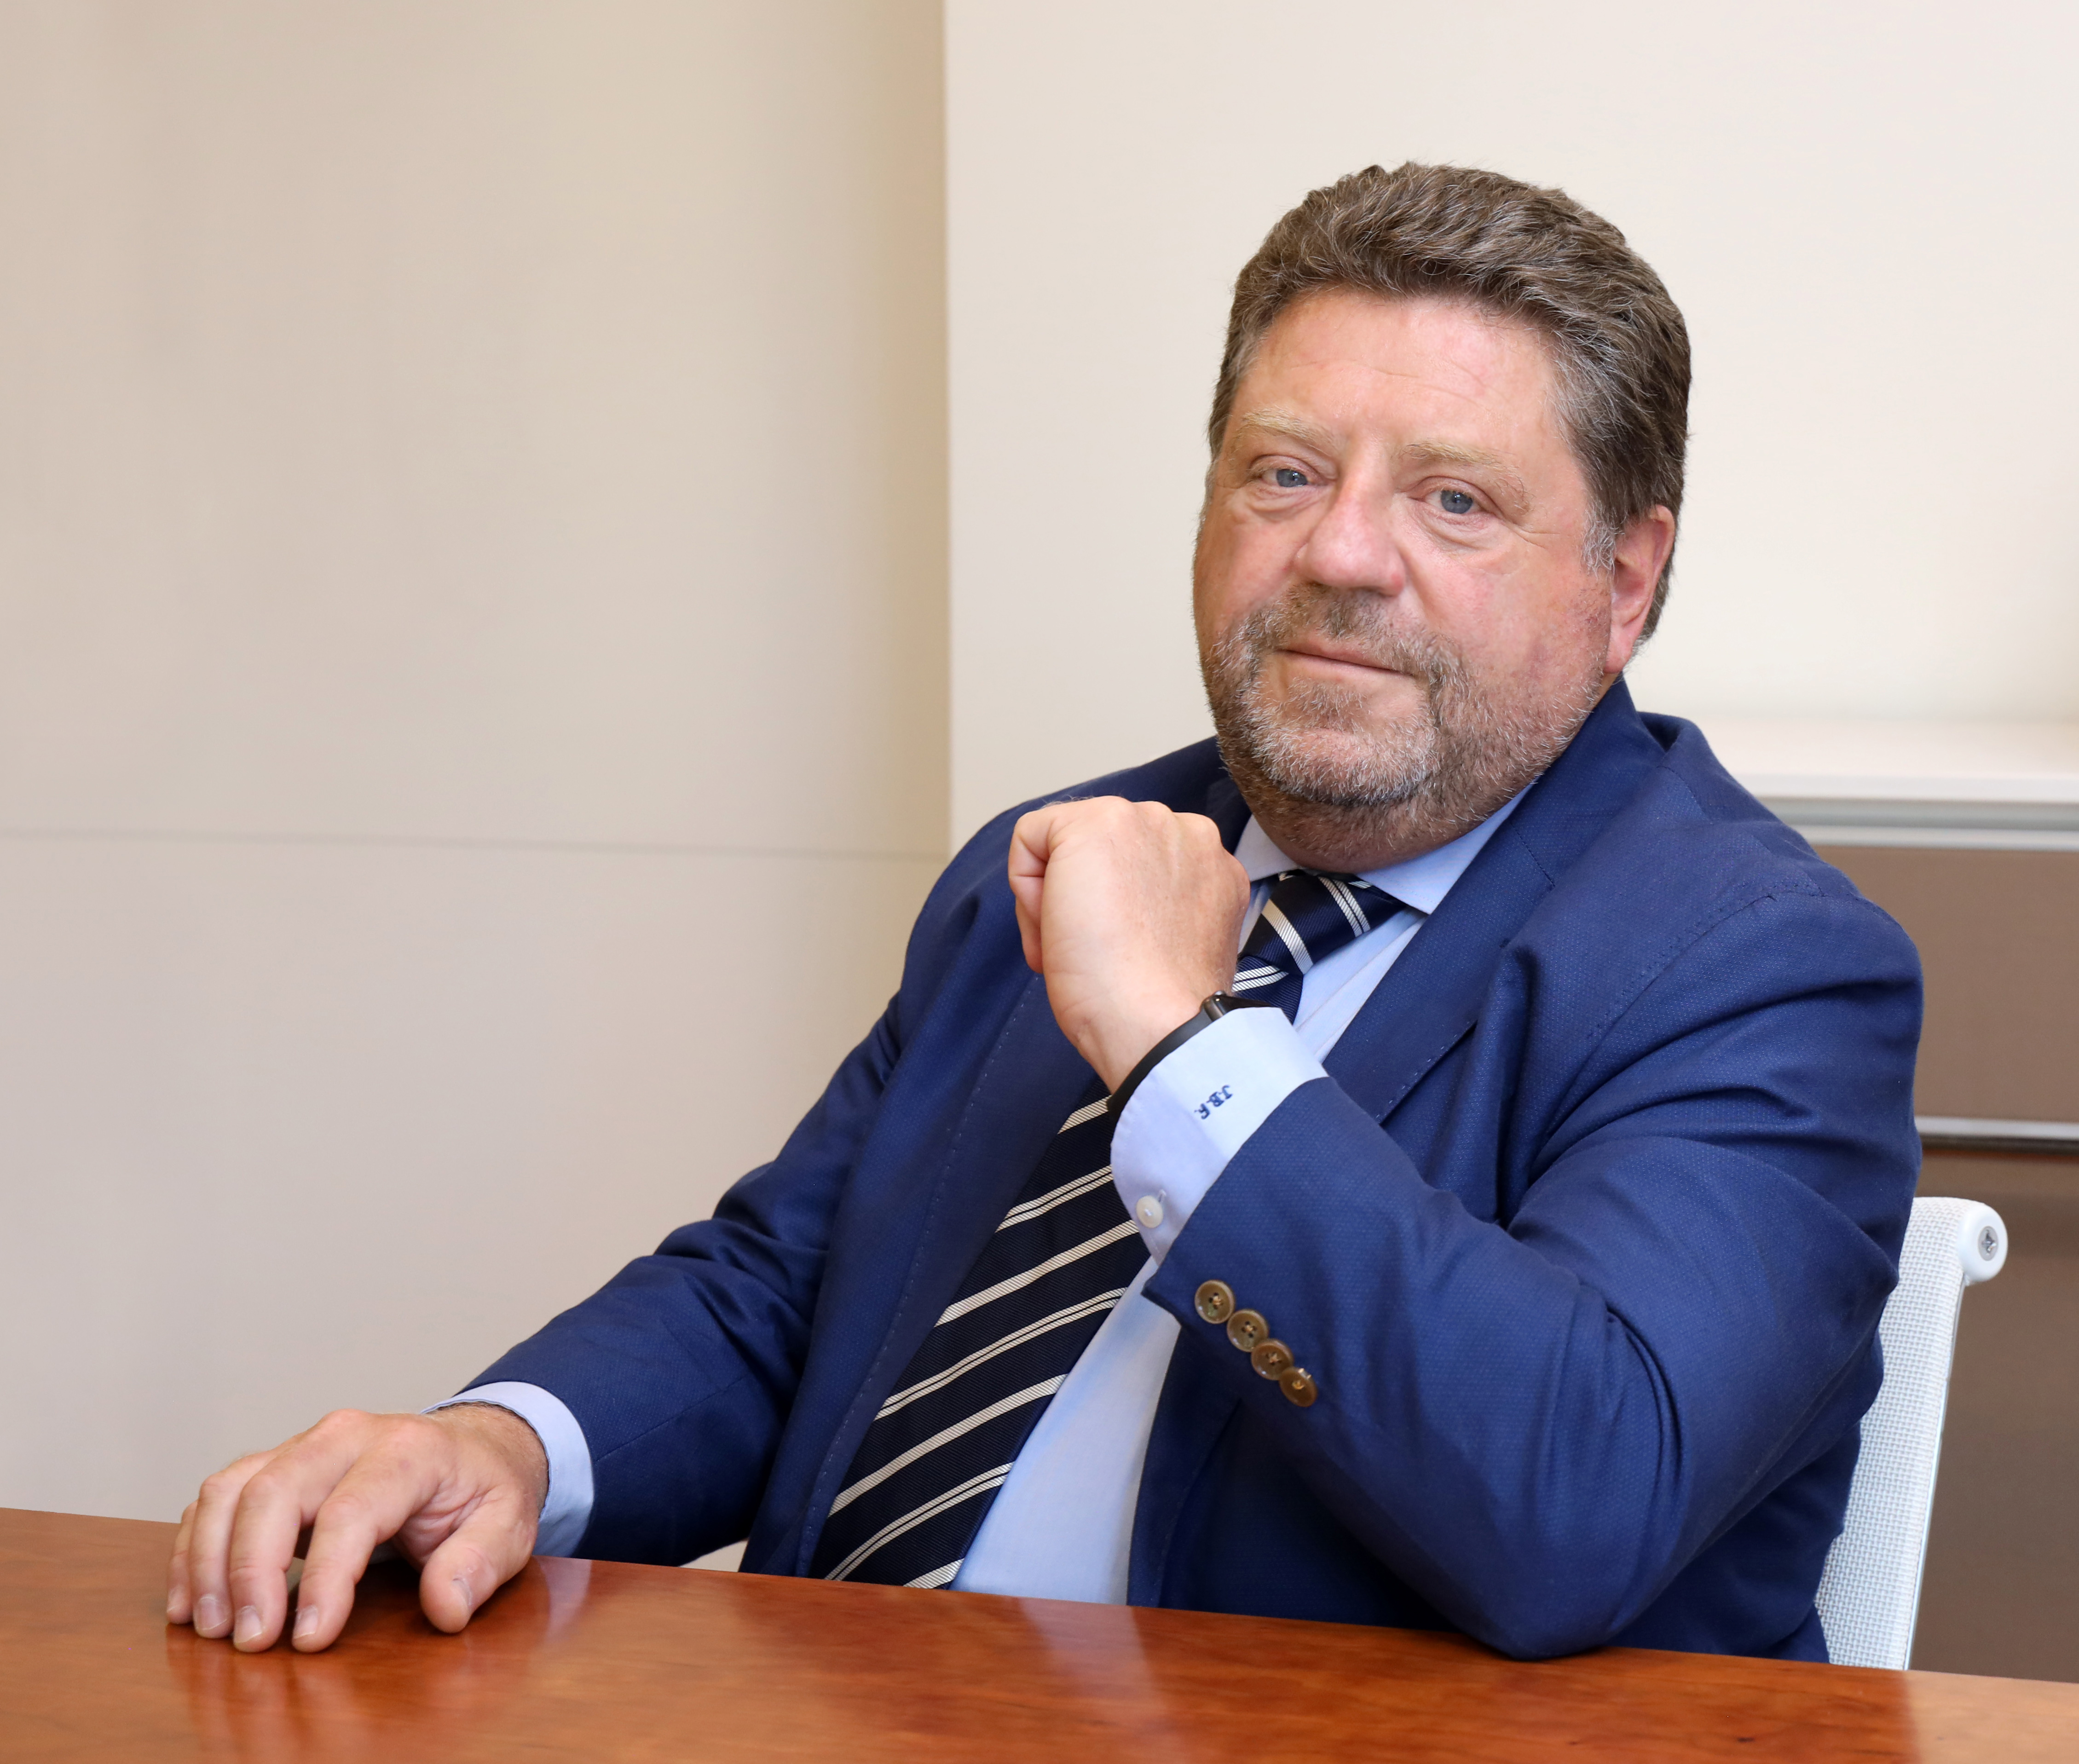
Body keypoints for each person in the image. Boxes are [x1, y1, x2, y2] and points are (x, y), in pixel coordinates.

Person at [166, 162, 1921, 1661]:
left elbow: (1571, 1497)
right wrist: (509, 1447)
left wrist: (1182, 1051)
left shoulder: (1764, 968)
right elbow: (789, 1294)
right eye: (1284, 471)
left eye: (1453, 500)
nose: (1340, 554)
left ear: (1625, 582)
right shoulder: (1065, 852)